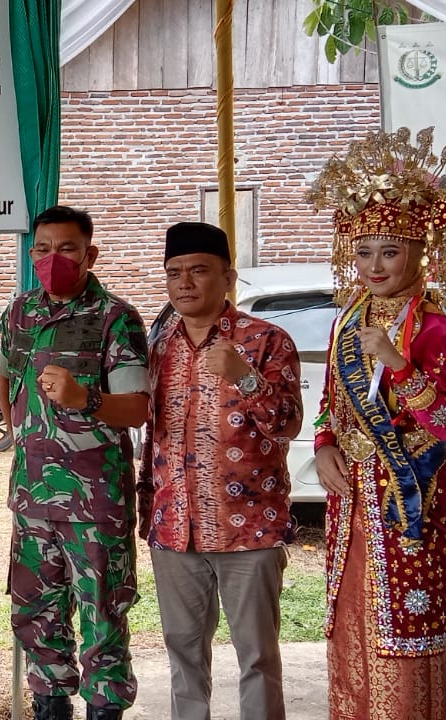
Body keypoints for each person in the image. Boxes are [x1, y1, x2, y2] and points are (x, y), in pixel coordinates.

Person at [308, 127, 446, 719]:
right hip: (352, 493)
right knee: (351, 616)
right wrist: (324, 445)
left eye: (389, 250)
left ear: (418, 252)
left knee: (405, 624)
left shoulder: (436, 330)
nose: (373, 266)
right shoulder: (345, 322)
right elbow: (332, 400)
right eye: (363, 251)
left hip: (411, 497)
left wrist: (399, 366)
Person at [140, 222, 302, 720]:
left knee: (256, 656)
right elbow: (150, 436)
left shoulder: (266, 340)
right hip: (175, 529)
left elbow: (288, 425)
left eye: (199, 271)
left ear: (228, 278)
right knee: (183, 654)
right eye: (174, 273)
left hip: (248, 532)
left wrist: (243, 376)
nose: (185, 282)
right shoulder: (157, 345)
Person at [0, 206, 148, 720]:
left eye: (66, 248)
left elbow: (137, 408)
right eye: (42, 248)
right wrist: (20, 431)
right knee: (37, 615)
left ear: (89, 254)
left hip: (95, 504)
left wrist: (86, 399)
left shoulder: (115, 318)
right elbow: (6, 375)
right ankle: (50, 706)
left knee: (102, 617)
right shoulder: (19, 313)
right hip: (32, 499)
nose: (52, 258)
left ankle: (104, 709)